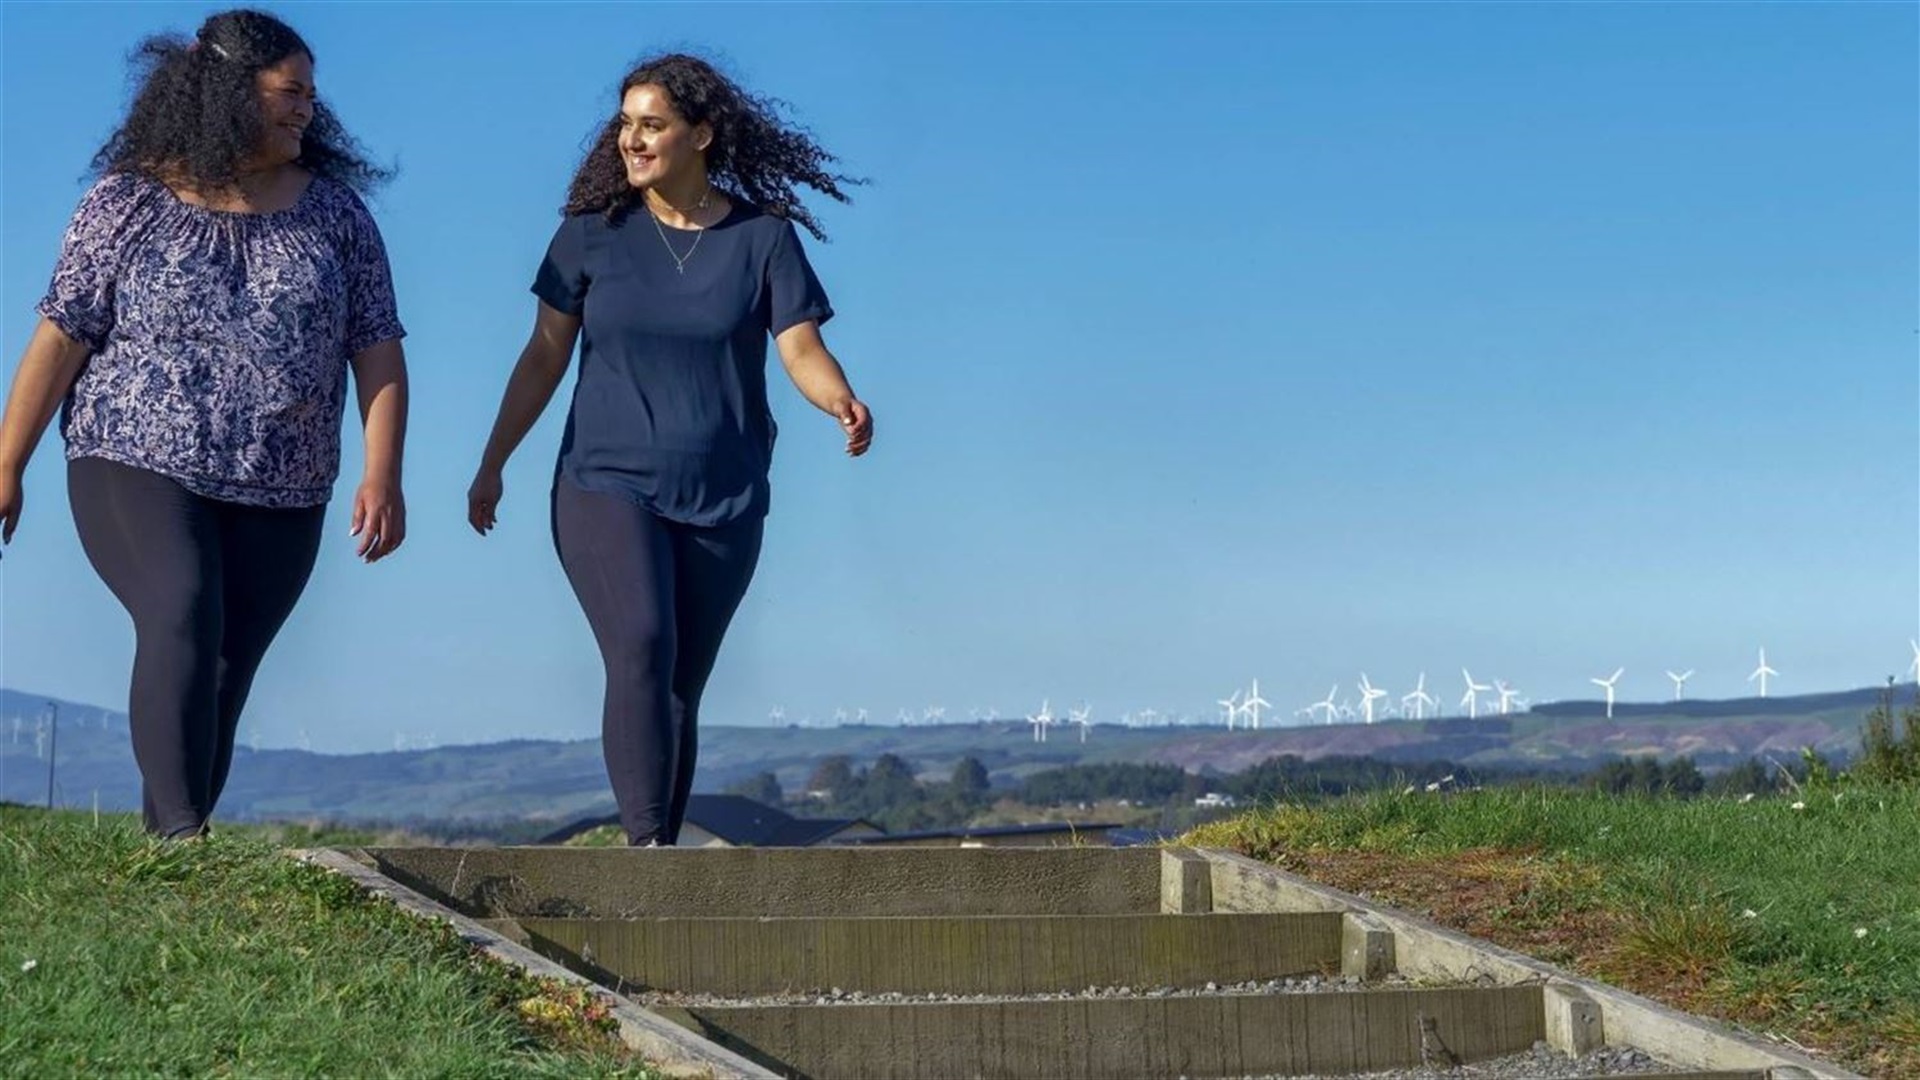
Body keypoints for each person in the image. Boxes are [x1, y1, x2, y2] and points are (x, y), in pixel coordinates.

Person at [0, 9, 409, 840]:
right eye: (289, 92)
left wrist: (382, 472)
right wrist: (8, 464)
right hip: (133, 456)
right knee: (183, 607)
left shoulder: (338, 217)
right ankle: (188, 837)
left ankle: (168, 856)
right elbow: (61, 333)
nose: (307, 110)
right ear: (229, 93)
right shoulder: (125, 203)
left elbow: (378, 349)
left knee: (224, 667)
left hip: (284, 482)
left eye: (309, 95)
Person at [467, 53, 872, 847]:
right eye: (626, 125)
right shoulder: (590, 237)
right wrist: (493, 462)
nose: (633, 140)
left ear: (702, 135)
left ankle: (666, 857)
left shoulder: (763, 240)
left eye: (652, 125)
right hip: (605, 482)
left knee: (681, 682)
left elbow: (799, 349)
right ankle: (647, 848)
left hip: (725, 492)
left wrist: (840, 401)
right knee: (644, 644)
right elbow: (543, 355)